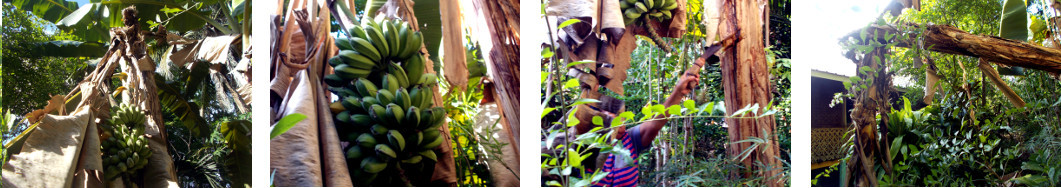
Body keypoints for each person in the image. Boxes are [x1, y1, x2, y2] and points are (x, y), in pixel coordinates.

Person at [587, 67, 701, 187]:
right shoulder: (582, 147)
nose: (617, 117)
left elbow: (655, 124)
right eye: (608, 114)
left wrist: (679, 92)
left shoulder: (630, 139)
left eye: (617, 113)